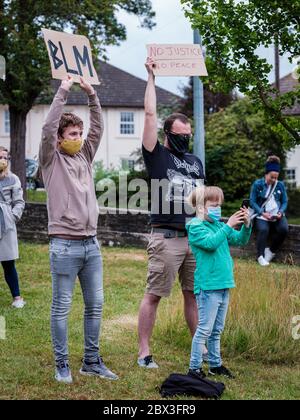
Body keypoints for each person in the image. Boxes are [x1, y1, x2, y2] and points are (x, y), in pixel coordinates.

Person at [39, 76, 118, 383]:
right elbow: (47, 128)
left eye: (80, 133)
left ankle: (91, 361)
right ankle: (62, 365)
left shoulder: (84, 155)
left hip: (91, 245)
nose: (79, 137)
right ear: (59, 138)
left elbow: (98, 128)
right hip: (64, 245)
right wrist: (63, 90)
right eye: (73, 133)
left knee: (95, 305)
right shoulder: (50, 158)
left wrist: (91, 95)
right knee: (61, 308)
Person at [138, 57, 205, 368]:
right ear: (168, 134)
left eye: (188, 134)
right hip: (166, 238)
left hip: (194, 237)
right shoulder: (157, 155)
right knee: (154, 294)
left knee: (193, 295)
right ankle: (144, 353)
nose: (185, 138)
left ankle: (200, 349)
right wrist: (151, 78)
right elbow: (150, 113)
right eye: (180, 134)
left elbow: (201, 201)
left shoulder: (195, 162)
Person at [186, 186, 251, 379]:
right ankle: (194, 368)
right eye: (214, 205)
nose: (218, 209)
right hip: (208, 286)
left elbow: (240, 240)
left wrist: (246, 225)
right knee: (204, 329)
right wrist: (228, 225)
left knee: (217, 330)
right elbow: (211, 243)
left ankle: (215, 365)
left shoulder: (218, 225)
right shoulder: (196, 227)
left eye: (219, 205)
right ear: (201, 207)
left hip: (224, 284)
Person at [250, 155, 288, 266]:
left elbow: (285, 201)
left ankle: (271, 251)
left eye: (276, 177)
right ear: (266, 174)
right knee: (263, 230)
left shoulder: (280, 185)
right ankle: (260, 256)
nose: (274, 180)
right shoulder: (257, 184)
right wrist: (262, 213)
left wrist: (280, 211)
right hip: (262, 214)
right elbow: (252, 202)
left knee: (284, 229)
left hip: (277, 214)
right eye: (272, 177)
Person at [0, 147, 25, 308]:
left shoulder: (13, 178)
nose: (2, 160)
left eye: (4, 157)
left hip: (5, 224)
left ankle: (17, 298)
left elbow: (19, 202)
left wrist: (12, 216)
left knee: (8, 263)